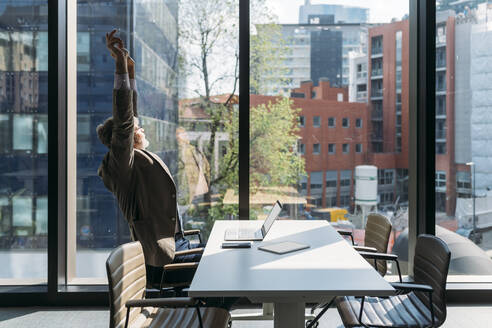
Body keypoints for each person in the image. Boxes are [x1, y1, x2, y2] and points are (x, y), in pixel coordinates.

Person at [97, 30, 201, 288]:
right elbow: (124, 117)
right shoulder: (122, 165)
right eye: (137, 128)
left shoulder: (133, 160)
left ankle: (213, 314)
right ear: (125, 138)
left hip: (177, 245)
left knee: (226, 256)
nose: (141, 129)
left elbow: (130, 111)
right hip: (162, 261)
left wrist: (130, 71)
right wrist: (119, 65)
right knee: (225, 267)